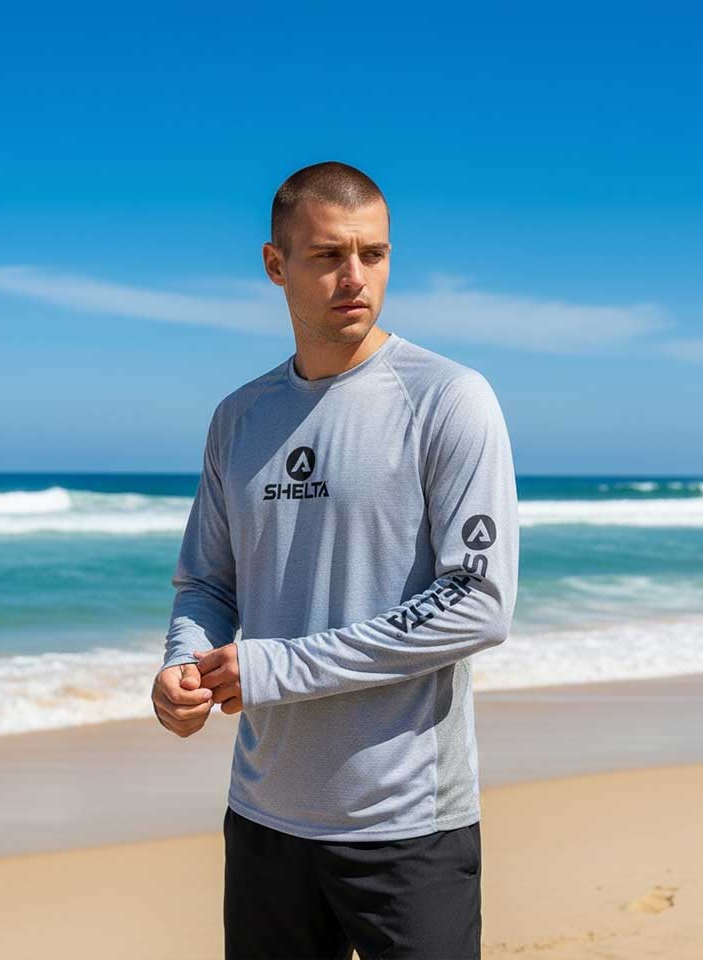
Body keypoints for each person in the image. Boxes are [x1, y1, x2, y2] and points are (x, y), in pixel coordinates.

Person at [151, 160, 520, 960]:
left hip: (406, 827)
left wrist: (277, 668)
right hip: (264, 819)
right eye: (327, 256)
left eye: (374, 254)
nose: (355, 277)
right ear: (276, 264)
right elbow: (210, 582)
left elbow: (478, 601)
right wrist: (183, 665)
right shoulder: (240, 417)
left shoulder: (448, 398)